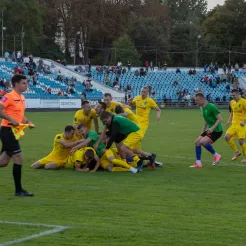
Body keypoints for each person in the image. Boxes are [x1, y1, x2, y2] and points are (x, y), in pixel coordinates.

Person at [0, 75, 34, 196]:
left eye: (26, 83)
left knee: (3, 162)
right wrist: (11, 120)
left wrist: (27, 121)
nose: (26, 85)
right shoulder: (8, 96)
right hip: (7, 130)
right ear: (16, 84)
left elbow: (18, 115)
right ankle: (18, 191)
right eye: (24, 83)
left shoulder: (22, 97)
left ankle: (19, 190)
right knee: (19, 157)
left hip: (14, 132)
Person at [70, 124, 137, 173]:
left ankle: (132, 167)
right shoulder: (84, 137)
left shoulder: (92, 133)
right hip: (101, 158)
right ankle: (129, 169)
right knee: (110, 168)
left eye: (82, 131)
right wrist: (74, 146)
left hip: (106, 152)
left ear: (86, 128)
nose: (81, 133)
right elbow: (81, 141)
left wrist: (74, 148)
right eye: (80, 132)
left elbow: (85, 143)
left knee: (113, 160)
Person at [190, 93, 223, 168]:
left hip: (217, 130)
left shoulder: (211, 106)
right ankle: (198, 163)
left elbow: (220, 119)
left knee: (202, 142)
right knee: (197, 142)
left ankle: (216, 155)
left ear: (202, 99)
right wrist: (203, 131)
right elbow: (206, 121)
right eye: (195, 100)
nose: (196, 102)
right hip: (209, 129)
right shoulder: (201, 108)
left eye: (197, 100)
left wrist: (212, 128)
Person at [225, 89, 246, 162]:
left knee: (241, 142)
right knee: (227, 137)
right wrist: (229, 121)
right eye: (232, 95)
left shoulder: (244, 102)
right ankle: (237, 152)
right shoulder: (232, 102)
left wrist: (244, 122)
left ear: (238, 94)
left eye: (234, 95)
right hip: (234, 124)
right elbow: (232, 112)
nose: (233, 97)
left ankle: (245, 157)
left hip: (242, 125)